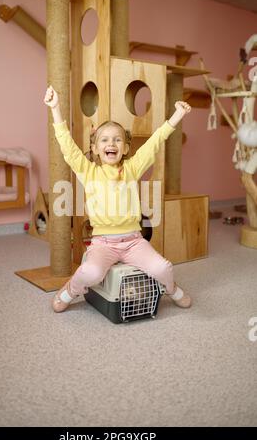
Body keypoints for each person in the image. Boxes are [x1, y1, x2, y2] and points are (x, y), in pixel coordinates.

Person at [44, 85, 192, 312]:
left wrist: (177, 116)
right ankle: (70, 290)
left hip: (134, 241)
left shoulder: (132, 168)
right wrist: (55, 108)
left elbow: (154, 142)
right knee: (90, 273)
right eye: (104, 140)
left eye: (117, 140)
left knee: (163, 268)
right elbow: (68, 147)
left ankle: (171, 289)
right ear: (94, 148)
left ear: (125, 149)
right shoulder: (89, 171)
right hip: (103, 243)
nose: (111, 144)